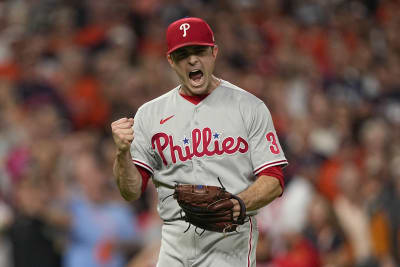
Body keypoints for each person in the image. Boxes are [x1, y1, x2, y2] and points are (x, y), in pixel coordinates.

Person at [111, 17, 288, 267]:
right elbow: (130, 191)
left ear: (214, 53)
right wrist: (122, 153)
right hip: (175, 244)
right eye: (183, 54)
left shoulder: (249, 107)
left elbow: (273, 179)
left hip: (230, 243)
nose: (192, 60)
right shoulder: (150, 114)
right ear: (171, 61)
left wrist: (236, 204)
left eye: (199, 51)